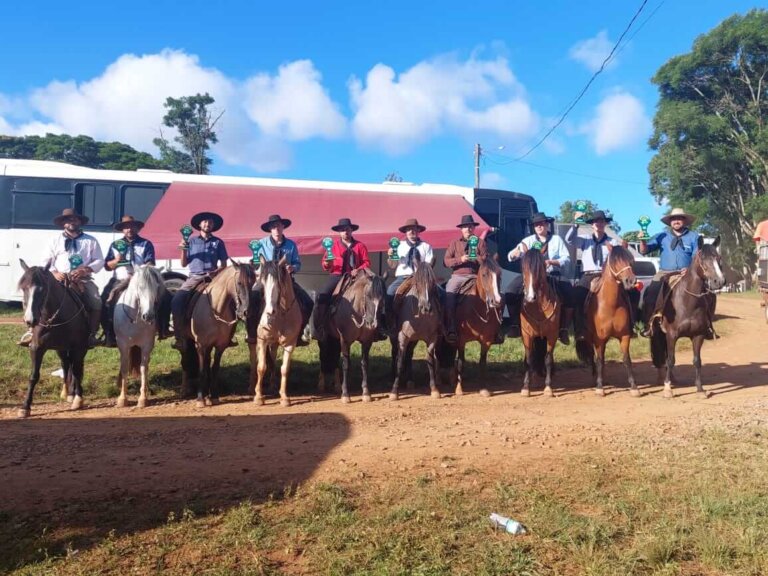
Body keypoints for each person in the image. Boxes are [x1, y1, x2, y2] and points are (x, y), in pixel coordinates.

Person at [18, 208, 105, 348]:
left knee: (96, 301)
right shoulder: (54, 240)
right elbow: (45, 261)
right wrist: (54, 273)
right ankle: (31, 331)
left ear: (79, 222)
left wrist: (85, 270)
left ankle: (91, 335)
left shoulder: (91, 241)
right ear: (63, 223)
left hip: (82, 280)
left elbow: (99, 260)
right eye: (68, 219)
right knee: (33, 297)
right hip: (57, 280)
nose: (72, 221)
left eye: (75, 219)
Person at [639, 207, 713, 338]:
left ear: (684, 221)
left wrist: (690, 268)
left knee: (708, 295)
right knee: (650, 293)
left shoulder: (694, 237)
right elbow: (644, 251)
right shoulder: (661, 236)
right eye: (673, 219)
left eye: (679, 218)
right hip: (665, 272)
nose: (676, 221)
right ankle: (649, 325)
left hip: (687, 273)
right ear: (669, 222)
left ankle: (707, 325)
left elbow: (697, 256)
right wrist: (642, 240)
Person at [100, 216, 170, 347]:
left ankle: (163, 328)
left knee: (166, 297)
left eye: (132, 226)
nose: (129, 229)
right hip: (120, 279)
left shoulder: (146, 244)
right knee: (104, 300)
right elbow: (107, 266)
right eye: (126, 227)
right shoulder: (115, 245)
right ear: (122, 230)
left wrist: (139, 274)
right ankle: (109, 334)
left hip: (141, 280)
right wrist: (116, 260)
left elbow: (150, 263)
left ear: (137, 228)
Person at [505, 211, 573, 344]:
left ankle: (563, 329)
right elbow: (511, 255)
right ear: (534, 227)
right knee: (510, 291)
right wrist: (514, 254)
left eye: (542, 224)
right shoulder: (528, 241)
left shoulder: (556, 240)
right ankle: (515, 325)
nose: (539, 226)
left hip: (552, 275)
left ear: (547, 225)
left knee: (570, 292)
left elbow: (567, 258)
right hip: (531, 275)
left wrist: (552, 262)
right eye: (536, 225)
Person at [248, 214, 314, 346]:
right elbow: (255, 262)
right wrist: (255, 264)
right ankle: (251, 334)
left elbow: (297, 263)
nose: (276, 228)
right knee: (252, 299)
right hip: (266, 282)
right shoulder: (260, 244)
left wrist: (292, 267)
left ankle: (299, 333)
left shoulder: (291, 245)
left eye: (278, 225)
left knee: (308, 302)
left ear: (283, 227)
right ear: (270, 230)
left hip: (286, 282)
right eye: (273, 227)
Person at [171, 211, 232, 351]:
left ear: (213, 225)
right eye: (205, 221)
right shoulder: (190, 241)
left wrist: (217, 272)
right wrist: (183, 250)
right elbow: (183, 264)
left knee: (232, 300)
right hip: (195, 277)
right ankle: (179, 336)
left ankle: (229, 335)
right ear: (199, 225)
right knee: (177, 300)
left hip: (214, 278)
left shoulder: (218, 242)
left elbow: (223, 264)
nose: (207, 224)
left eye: (210, 222)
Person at [314, 217, 380, 340]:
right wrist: (328, 263)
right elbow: (325, 264)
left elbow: (367, 262)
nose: (346, 232)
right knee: (321, 295)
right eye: (343, 230)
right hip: (338, 276)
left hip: (358, 277)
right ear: (339, 232)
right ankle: (320, 326)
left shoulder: (360, 246)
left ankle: (377, 329)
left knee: (376, 295)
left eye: (348, 229)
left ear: (351, 231)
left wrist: (359, 269)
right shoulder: (333, 246)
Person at [565, 209, 625, 341]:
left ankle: (629, 326)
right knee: (577, 297)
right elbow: (569, 239)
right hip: (589, 275)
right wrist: (576, 224)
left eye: (602, 221)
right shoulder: (585, 240)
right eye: (596, 221)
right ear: (592, 225)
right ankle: (579, 330)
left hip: (607, 275)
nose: (599, 223)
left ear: (605, 224)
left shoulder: (612, 241)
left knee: (627, 293)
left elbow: (620, 253)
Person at [443, 214, 504, 345]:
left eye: (470, 226)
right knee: (448, 295)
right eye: (465, 227)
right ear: (461, 229)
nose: (468, 229)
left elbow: (486, 261)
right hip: (458, 277)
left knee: (497, 295)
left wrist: (475, 256)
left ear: (473, 228)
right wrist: (461, 259)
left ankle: (496, 330)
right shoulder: (454, 243)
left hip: (477, 276)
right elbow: (446, 262)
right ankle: (451, 327)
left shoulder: (481, 243)